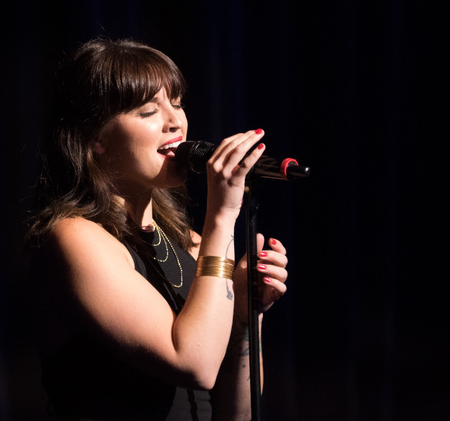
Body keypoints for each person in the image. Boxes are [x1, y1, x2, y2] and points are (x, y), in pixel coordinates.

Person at [27, 38, 289, 420]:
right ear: (96, 137)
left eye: (178, 103)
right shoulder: (74, 238)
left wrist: (249, 318)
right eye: (149, 110)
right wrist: (222, 215)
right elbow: (194, 363)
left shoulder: (194, 246)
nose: (175, 122)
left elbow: (240, 414)